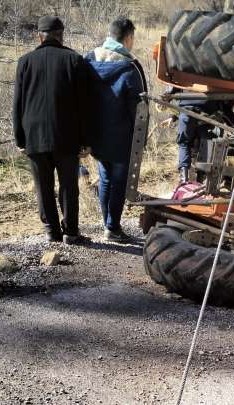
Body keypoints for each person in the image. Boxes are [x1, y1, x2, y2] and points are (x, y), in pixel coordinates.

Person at [13, 16, 90, 244]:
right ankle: (71, 232)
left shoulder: (25, 62)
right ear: (61, 35)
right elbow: (84, 105)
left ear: (39, 37)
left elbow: (18, 104)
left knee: (43, 186)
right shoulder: (74, 60)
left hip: (34, 135)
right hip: (66, 135)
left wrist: (20, 138)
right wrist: (86, 140)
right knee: (69, 185)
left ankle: (51, 232)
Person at [85, 17, 147, 243]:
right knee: (118, 182)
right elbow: (140, 108)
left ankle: (108, 225)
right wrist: (141, 140)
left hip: (96, 135)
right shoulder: (131, 67)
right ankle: (112, 228)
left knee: (105, 178)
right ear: (128, 38)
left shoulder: (89, 59)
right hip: (122, 138)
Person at [166, 87, 234, 183]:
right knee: (206, 143)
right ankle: (201, 178)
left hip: (188, 114)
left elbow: (171, 91)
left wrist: (172, 113)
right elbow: (227, 106)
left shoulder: (184, 83)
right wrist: (232, 123)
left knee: (184, 143)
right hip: (207, 115)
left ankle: (184, 178)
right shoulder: (219, 84)